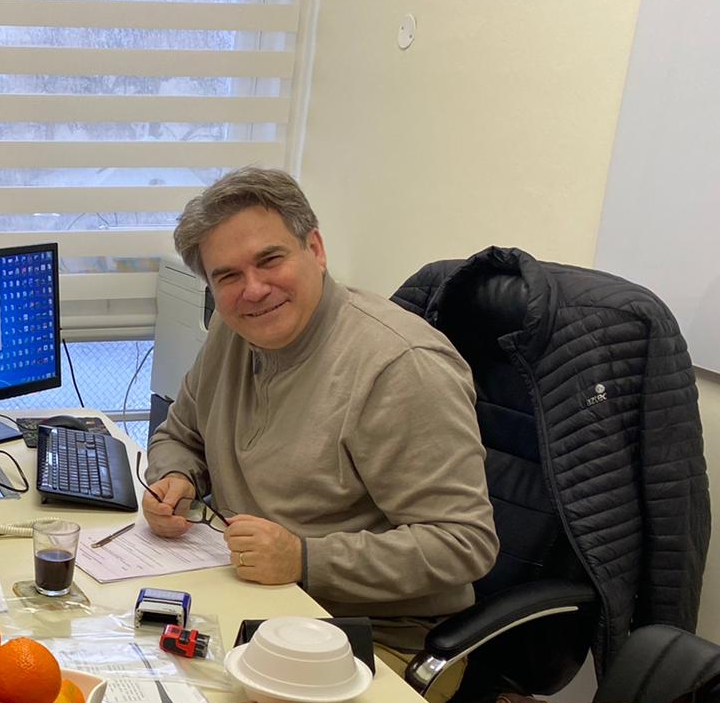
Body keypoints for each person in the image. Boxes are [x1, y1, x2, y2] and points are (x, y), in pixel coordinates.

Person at [144, 168, 497, 666]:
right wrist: (177, 477)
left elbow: (463, 543)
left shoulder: (400, 365)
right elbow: (180, 435)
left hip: (370, 635)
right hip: (252, 598)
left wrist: (304, 558)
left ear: (316, 249)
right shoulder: (232, 328)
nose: (253, 289)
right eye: (228, 276)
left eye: (270, 260)